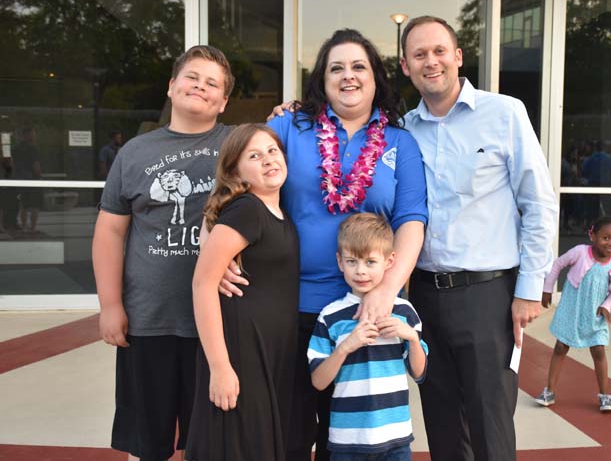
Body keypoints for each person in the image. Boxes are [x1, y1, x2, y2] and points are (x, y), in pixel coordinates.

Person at [221, 29, 427, 461]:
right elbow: (231, 181)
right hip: (284, 306)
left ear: (376, 79)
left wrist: (387, 291)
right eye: (337, 67)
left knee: (352, 437)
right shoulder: (288, 126)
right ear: (321, 78)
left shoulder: (399, 142)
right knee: (289, 433)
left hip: (364, 311)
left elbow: (412, 220)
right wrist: (216, 252)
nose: (348, 76)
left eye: (358, 67)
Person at [399, 16, 558, 460]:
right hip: (425, 296)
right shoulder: (403, 129)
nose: (431, 62)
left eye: (439, 51)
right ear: (406, 66)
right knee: (442, 425)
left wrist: (530, 290)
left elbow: (539, 205)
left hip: (489, 296)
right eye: (419, 54)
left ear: (458, 57)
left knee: (491, 425)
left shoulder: (505, 113)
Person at [92, 45, 234, 461]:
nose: (200, 87)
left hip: (217, 323)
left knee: (212, 440)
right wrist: (110, 304)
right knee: (147, 440)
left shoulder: (237, 145)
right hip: (148, 320)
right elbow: (110, 232)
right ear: (172, 86)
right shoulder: (135, 152)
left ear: (223, 102)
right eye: (192, 77)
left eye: (213, 84)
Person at [186, 124, 299, 460]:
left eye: (272, 150)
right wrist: (220, 367)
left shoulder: (277, 211)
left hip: (270, 352)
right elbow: (203, 283)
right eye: (254, 155)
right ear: (235, 170)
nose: (267, 159)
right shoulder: (247, 209)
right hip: (240, 352)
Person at [307, 213, 428, 460]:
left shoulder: (404, 311)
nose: (360, 271)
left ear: (390, 260)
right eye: (352, 261)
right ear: (340, 262)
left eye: (370, 262)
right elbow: (318, 381)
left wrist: (412, 339)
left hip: (396, 439)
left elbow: (419, 372)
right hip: (347, 441)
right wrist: (345, 348)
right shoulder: (331, 316)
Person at [535, 216, 611, 412]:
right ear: (592, 235)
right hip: (572, 309)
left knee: (599, 351)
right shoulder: (580, 252)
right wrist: (547, 288)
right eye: (606, 238)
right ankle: (549, 391)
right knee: (560, 347)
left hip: (594, 314)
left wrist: (607, 306)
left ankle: (604, 395)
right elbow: (557, 264)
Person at [12, 127, 42, 234]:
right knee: (34, 205)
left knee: (24, 205)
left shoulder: (16, 148)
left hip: (20, 179)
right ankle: (32, 228)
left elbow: (12, 164)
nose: (34, 136)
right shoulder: (33, 149)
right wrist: (39, 176)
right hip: (33, 180)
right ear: (28, 135)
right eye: (33, 134)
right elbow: (36, 166)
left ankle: (24, 226)